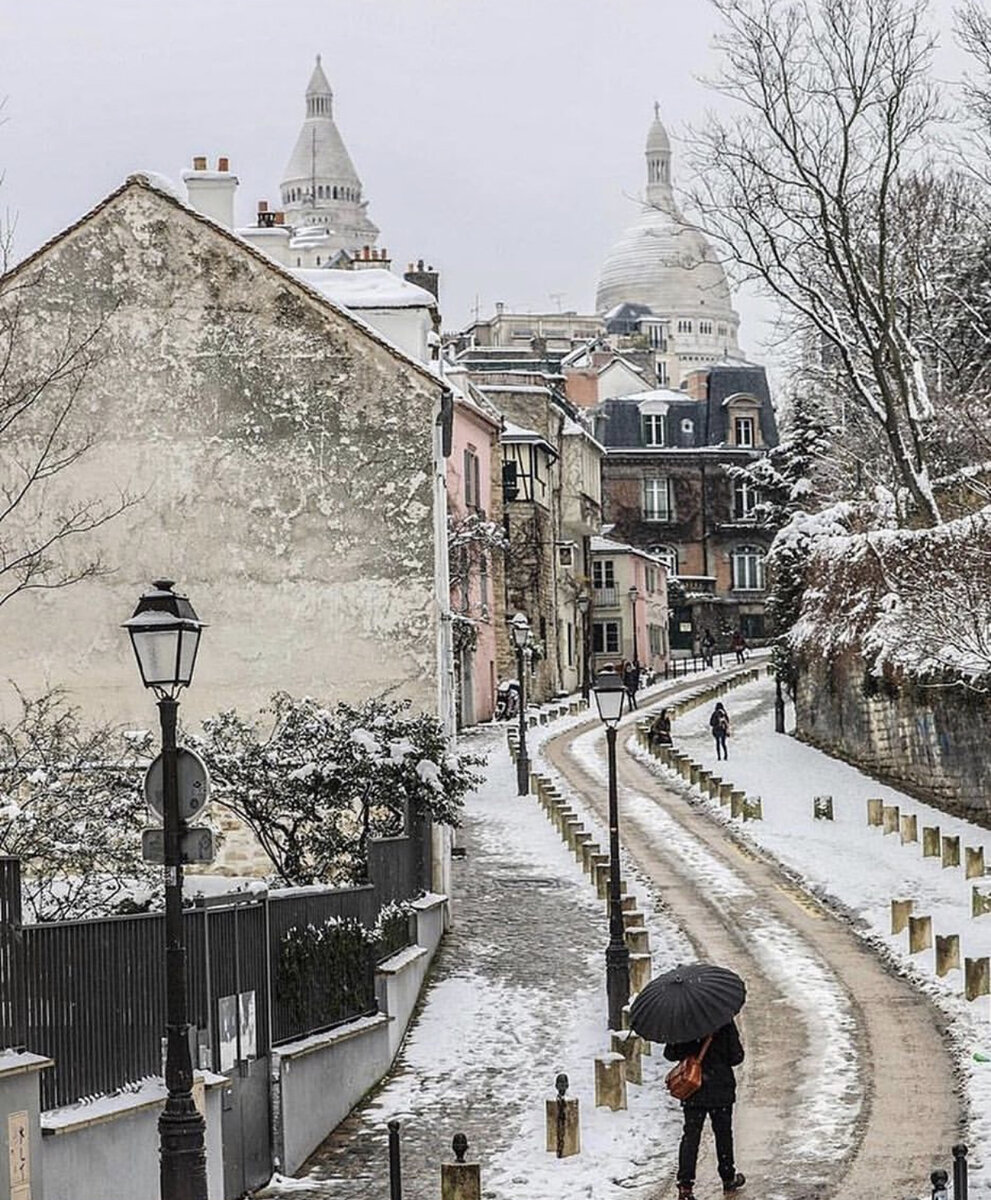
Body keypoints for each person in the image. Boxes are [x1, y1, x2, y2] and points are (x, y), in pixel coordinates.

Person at [664, 1020, 746, 1199]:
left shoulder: (683, 1022)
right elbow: (736, 1057)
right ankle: (728, 1177)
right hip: (720, 1088)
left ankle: (685, 1185)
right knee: (723, 1134)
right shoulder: (724, 1022)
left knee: (691, 1136)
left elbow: (670, 1054)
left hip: (694, 1088)